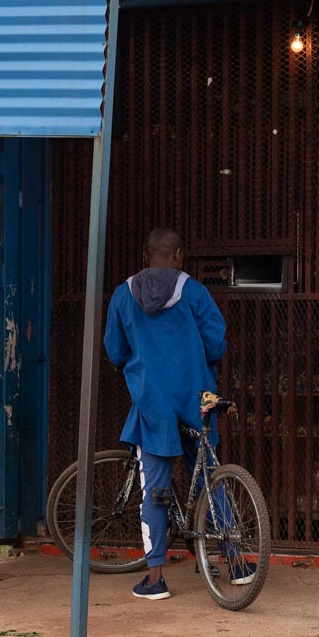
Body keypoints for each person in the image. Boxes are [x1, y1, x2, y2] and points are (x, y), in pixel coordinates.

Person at [102, 228, 250, 600]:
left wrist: (136, 367)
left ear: (145, 254)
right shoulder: (195, 293)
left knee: (154, 490)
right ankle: (236, 563)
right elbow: (216, 341)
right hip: (195, 396)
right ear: (179, 255)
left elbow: (114, 350)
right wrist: (203, 363)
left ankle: (155, 580)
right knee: (210, 477)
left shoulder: (123, 296)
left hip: (151, 402)